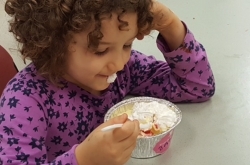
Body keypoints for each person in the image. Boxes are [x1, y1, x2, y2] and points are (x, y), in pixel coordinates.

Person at [0, 0, 215, 164]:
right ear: (52, 44)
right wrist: (83, 160)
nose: (119, 63)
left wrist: (169, 24)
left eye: (127, 45)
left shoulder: (124, 70)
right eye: (101, 50)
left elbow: (197, 87)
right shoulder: (24, 102)